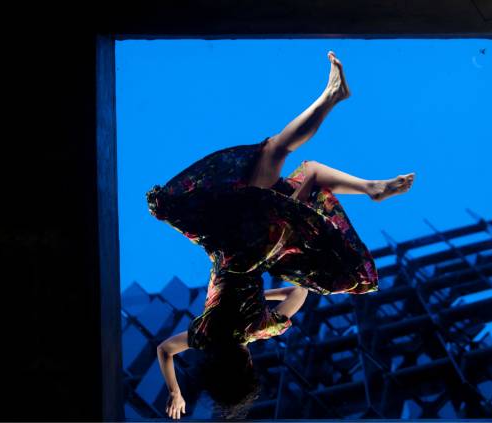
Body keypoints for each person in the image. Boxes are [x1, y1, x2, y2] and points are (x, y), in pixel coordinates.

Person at [152, 50, 415, 420]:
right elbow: (164, 350)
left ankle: (367, 177)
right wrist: (175, 392)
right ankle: (339, 114)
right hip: (230, 239)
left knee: (303, 169)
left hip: (261, 242)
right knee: (277, 153)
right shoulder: (204, 335)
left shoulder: (259, 329)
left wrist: (264, 295)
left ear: (246, 364)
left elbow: (299, 292)